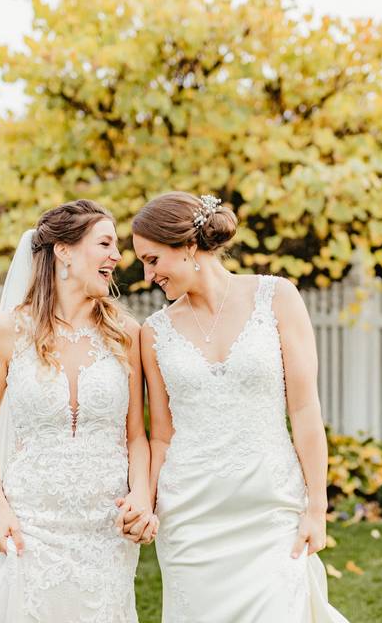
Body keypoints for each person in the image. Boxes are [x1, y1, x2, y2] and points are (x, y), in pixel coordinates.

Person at [0, 200, 156, 623]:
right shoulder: (8, 330)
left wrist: (142, 493)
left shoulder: (127, 333)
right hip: (30, 522)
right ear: (63, 251)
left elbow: (136, 436)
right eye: (105, 243)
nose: (117, 257)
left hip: (104, 526)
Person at [125, 191, 348, 621]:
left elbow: (304, 410)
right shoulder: (153, 333)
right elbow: (162, 435)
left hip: (270, 506)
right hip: (191, 516)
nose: (149, 275)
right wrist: (147, 502)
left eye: (153, 260)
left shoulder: (277, 297)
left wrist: (316, 507)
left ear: (188, 246)